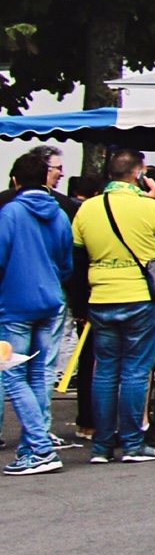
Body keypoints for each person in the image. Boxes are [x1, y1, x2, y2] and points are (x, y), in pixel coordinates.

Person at [71, 147, 155, 464]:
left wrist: (80, 304)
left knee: (104, 371)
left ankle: (102, 446)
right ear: (139, 173)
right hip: (140, 297)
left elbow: (77, 259)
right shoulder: (149, 207)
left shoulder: (87, 209)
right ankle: (132, 444)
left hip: (101, 297)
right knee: (135, 371)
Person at [0, 147, 73, 474]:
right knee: (42, 375)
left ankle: (40, 449)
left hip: (15, 305)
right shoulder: (58, 213)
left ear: (15, 181)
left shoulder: (10, 214)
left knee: (12, 375)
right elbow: (65, 261)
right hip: (52, 300)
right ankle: (33, 449)